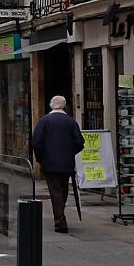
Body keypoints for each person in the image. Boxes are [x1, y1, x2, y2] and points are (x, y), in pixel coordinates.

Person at [32, 95, 84, 233]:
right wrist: (69, 153)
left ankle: (60, 221)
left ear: (51, 105)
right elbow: (80, 142)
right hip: (66, 164)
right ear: (64, 106)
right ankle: (60, 216)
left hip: (50, 163)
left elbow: (36, 142)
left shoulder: (44, 121)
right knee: (63, 190)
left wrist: (41, 158)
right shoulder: (70, 121)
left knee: (55, 191)